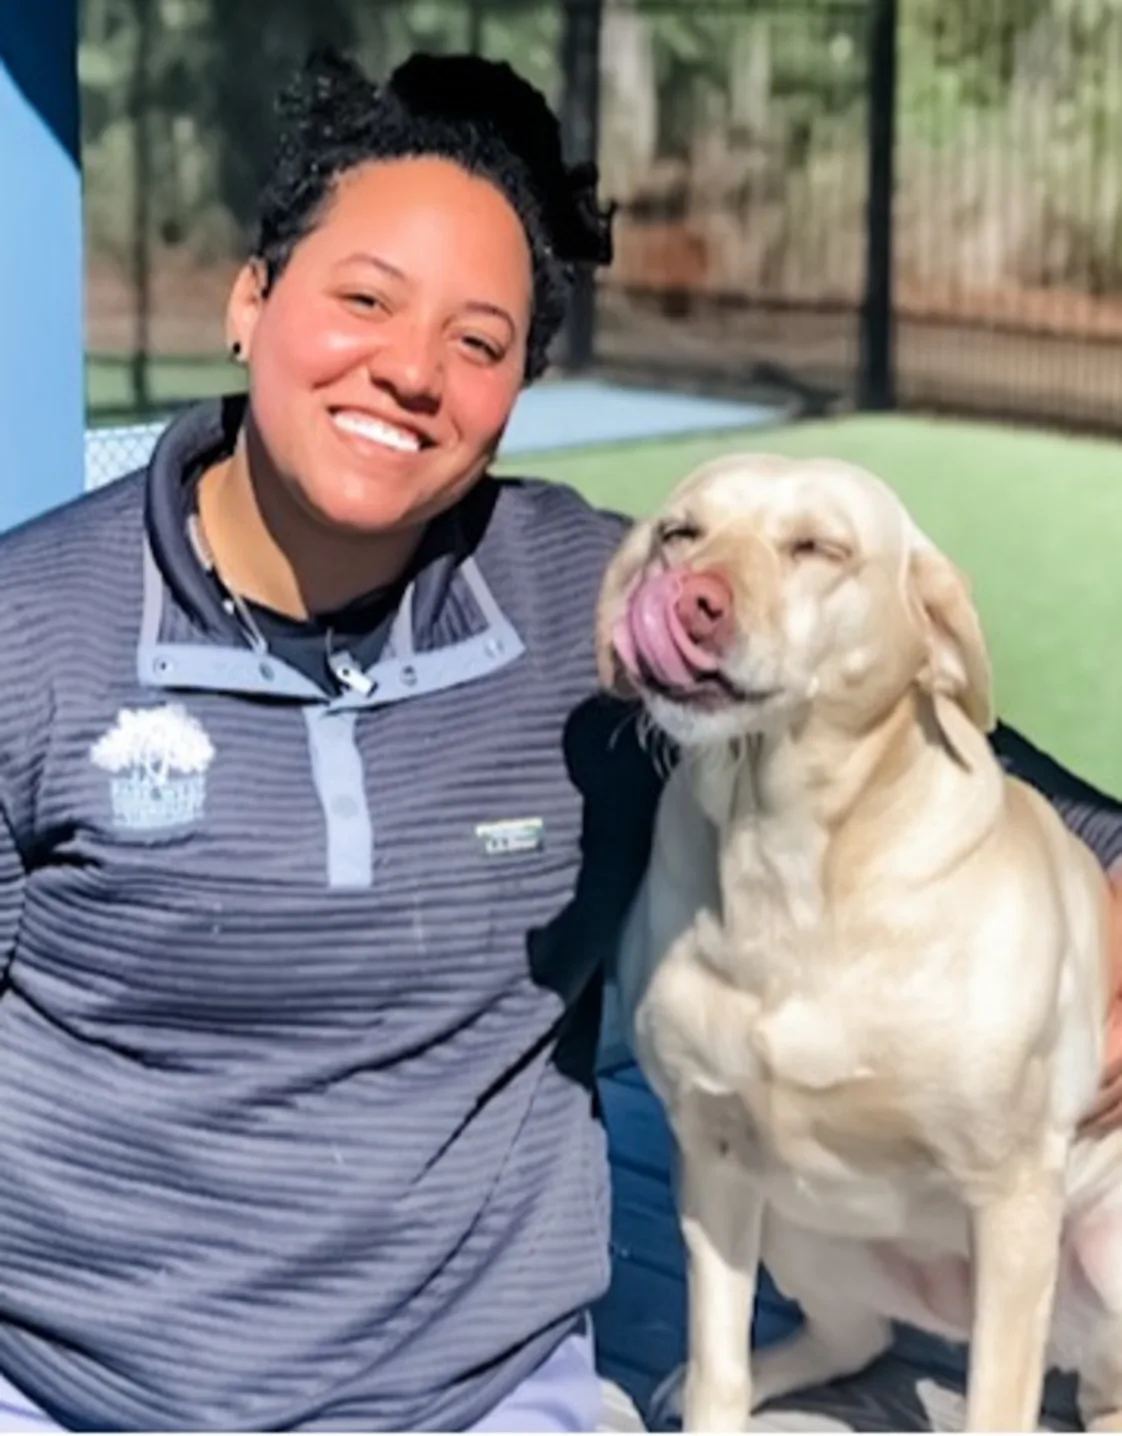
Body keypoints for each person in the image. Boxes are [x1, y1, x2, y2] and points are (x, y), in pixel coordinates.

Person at [0, 46, 1117, 1435]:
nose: (410, 370)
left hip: (483, 1399)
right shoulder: (28, 634)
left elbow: (925, 742)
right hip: (61, 1394)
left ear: (515, 388)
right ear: (250, 300)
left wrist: (1109, 884)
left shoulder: (588, 612)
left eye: (478, 343)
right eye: (363, 300)